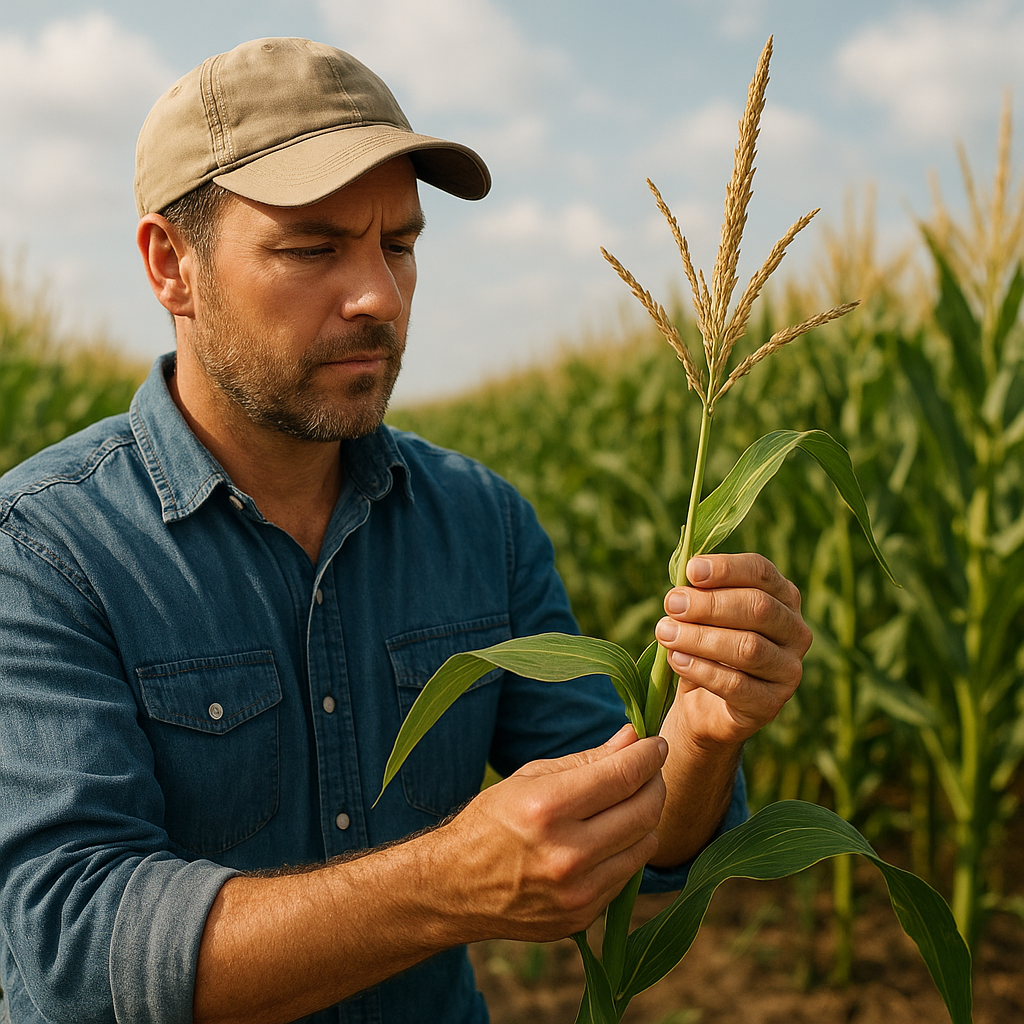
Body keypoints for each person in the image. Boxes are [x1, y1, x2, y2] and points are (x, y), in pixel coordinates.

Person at [0, 37, 811, 1024]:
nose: (379, 296)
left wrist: (703, 727)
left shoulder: (482, 522)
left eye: (400, 245)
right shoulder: (44, 550)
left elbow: (641, 842)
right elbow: (74, 947)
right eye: (312, 248)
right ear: (171, 265)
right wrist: (442, 884)